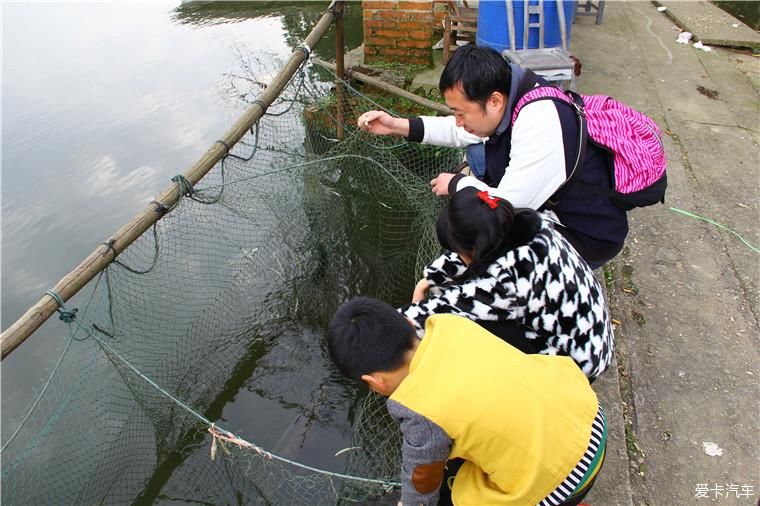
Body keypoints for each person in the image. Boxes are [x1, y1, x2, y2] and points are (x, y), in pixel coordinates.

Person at [357, 44, 627, 268]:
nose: (458, 120)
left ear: (494, 101)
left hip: (585, 237)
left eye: (461, 112)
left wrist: (456, 183)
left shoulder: (540, 121)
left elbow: (505, 208)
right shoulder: (511, 94)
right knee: (475, 156)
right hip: (551, 212)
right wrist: (395, 126)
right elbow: (462, 131)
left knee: (484, 245)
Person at [327, 299, 607, 506]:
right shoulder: (449, 325)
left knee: (457, 497)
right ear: (410, 324)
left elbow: (421, 481)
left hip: (565, 476)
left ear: (373, 383)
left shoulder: (416, 407)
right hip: (588, 416)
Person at [402, 186, 614, 382]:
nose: (457, 254)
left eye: (458, 249)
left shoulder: (507, 279)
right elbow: (461, 261)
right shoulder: (532, 224)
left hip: (576, 362)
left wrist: (414, 311)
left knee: (467, 328)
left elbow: (439, 311)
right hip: (593, 334)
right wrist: (426, 280)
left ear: (475, 248)